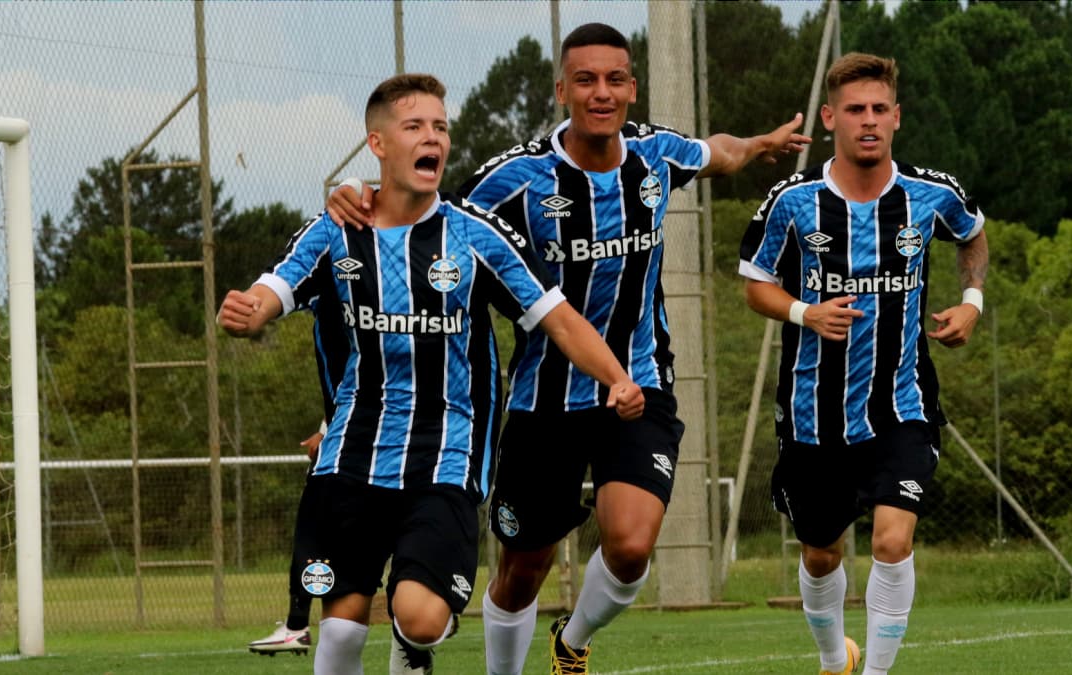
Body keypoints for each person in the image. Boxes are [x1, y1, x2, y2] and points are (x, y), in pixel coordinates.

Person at [326, 23, 809, 675]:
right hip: (542, 396)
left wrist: (760, 144)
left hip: (638, 384)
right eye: (585, 79)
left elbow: (715, 152)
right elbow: (422, 213)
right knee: (523, 565)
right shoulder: (515, 178)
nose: (601, 92)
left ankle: (572, 640)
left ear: (632, 88)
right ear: (562, 90)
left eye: (614, 79)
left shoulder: (657, 155)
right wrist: (359, 191)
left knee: (632, 544)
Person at [219, 72, 643, 675]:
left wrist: (616, 377)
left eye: (441, 127)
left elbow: (560, 319)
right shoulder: (336, 231)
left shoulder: (475, 237)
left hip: (445, 454)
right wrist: (243, 311)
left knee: (418, 615)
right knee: (338, 634)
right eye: (415, 126)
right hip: (354, 453)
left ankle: (412, 650)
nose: (434, 139)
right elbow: (269, 291)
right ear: (379, 144)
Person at [738, 52, 988, 675]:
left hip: (902, 405)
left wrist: (971, 303)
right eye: (855, 110)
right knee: (822, 553)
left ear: (897, 117)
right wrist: (805, 313)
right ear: (830, 118)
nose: (868, 121)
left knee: (891, 540)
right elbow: (753, 283)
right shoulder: (793, 201)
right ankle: (833, 660)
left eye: (879, 109)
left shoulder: (930, 194)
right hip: (811, 414)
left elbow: (974, 234)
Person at [248, 255, 346, 657]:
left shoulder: (340, 276)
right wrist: (326, 429)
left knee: (315, 527)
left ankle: (296, 625)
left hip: (360, 433)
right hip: (348, 425)